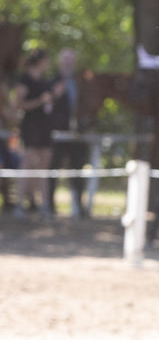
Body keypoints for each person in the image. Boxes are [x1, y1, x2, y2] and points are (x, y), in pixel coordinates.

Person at [11, 48, 59, 217]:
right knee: (27, 165)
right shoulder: (25, 79)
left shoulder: (46, 82)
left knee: (44, 168)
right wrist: (40, 101)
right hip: (31, 128)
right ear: (40, 61)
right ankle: (20, 205)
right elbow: (19, 105)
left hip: (46, 127)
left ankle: (45, 205)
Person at [48, 48, 89, 218]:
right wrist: (53, 95)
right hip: (58, 134)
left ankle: (78, 206)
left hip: (79, 134)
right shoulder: (52, 82)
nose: (67, 63)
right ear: (59, 62)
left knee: (78, 170)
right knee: (53, 169)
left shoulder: (82, 82)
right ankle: (50, 205)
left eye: (70, 60)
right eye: (64, 59)